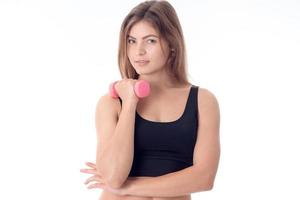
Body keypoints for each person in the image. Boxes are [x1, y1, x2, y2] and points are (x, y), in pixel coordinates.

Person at [80, 1, 221, 199]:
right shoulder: (111, 103)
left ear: (172, 43)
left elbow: (204, 178)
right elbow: (113, 177)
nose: (139, 51)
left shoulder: (203, 101)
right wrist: (130, 102)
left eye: (150, 41)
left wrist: (129, 187)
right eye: (131, 41)